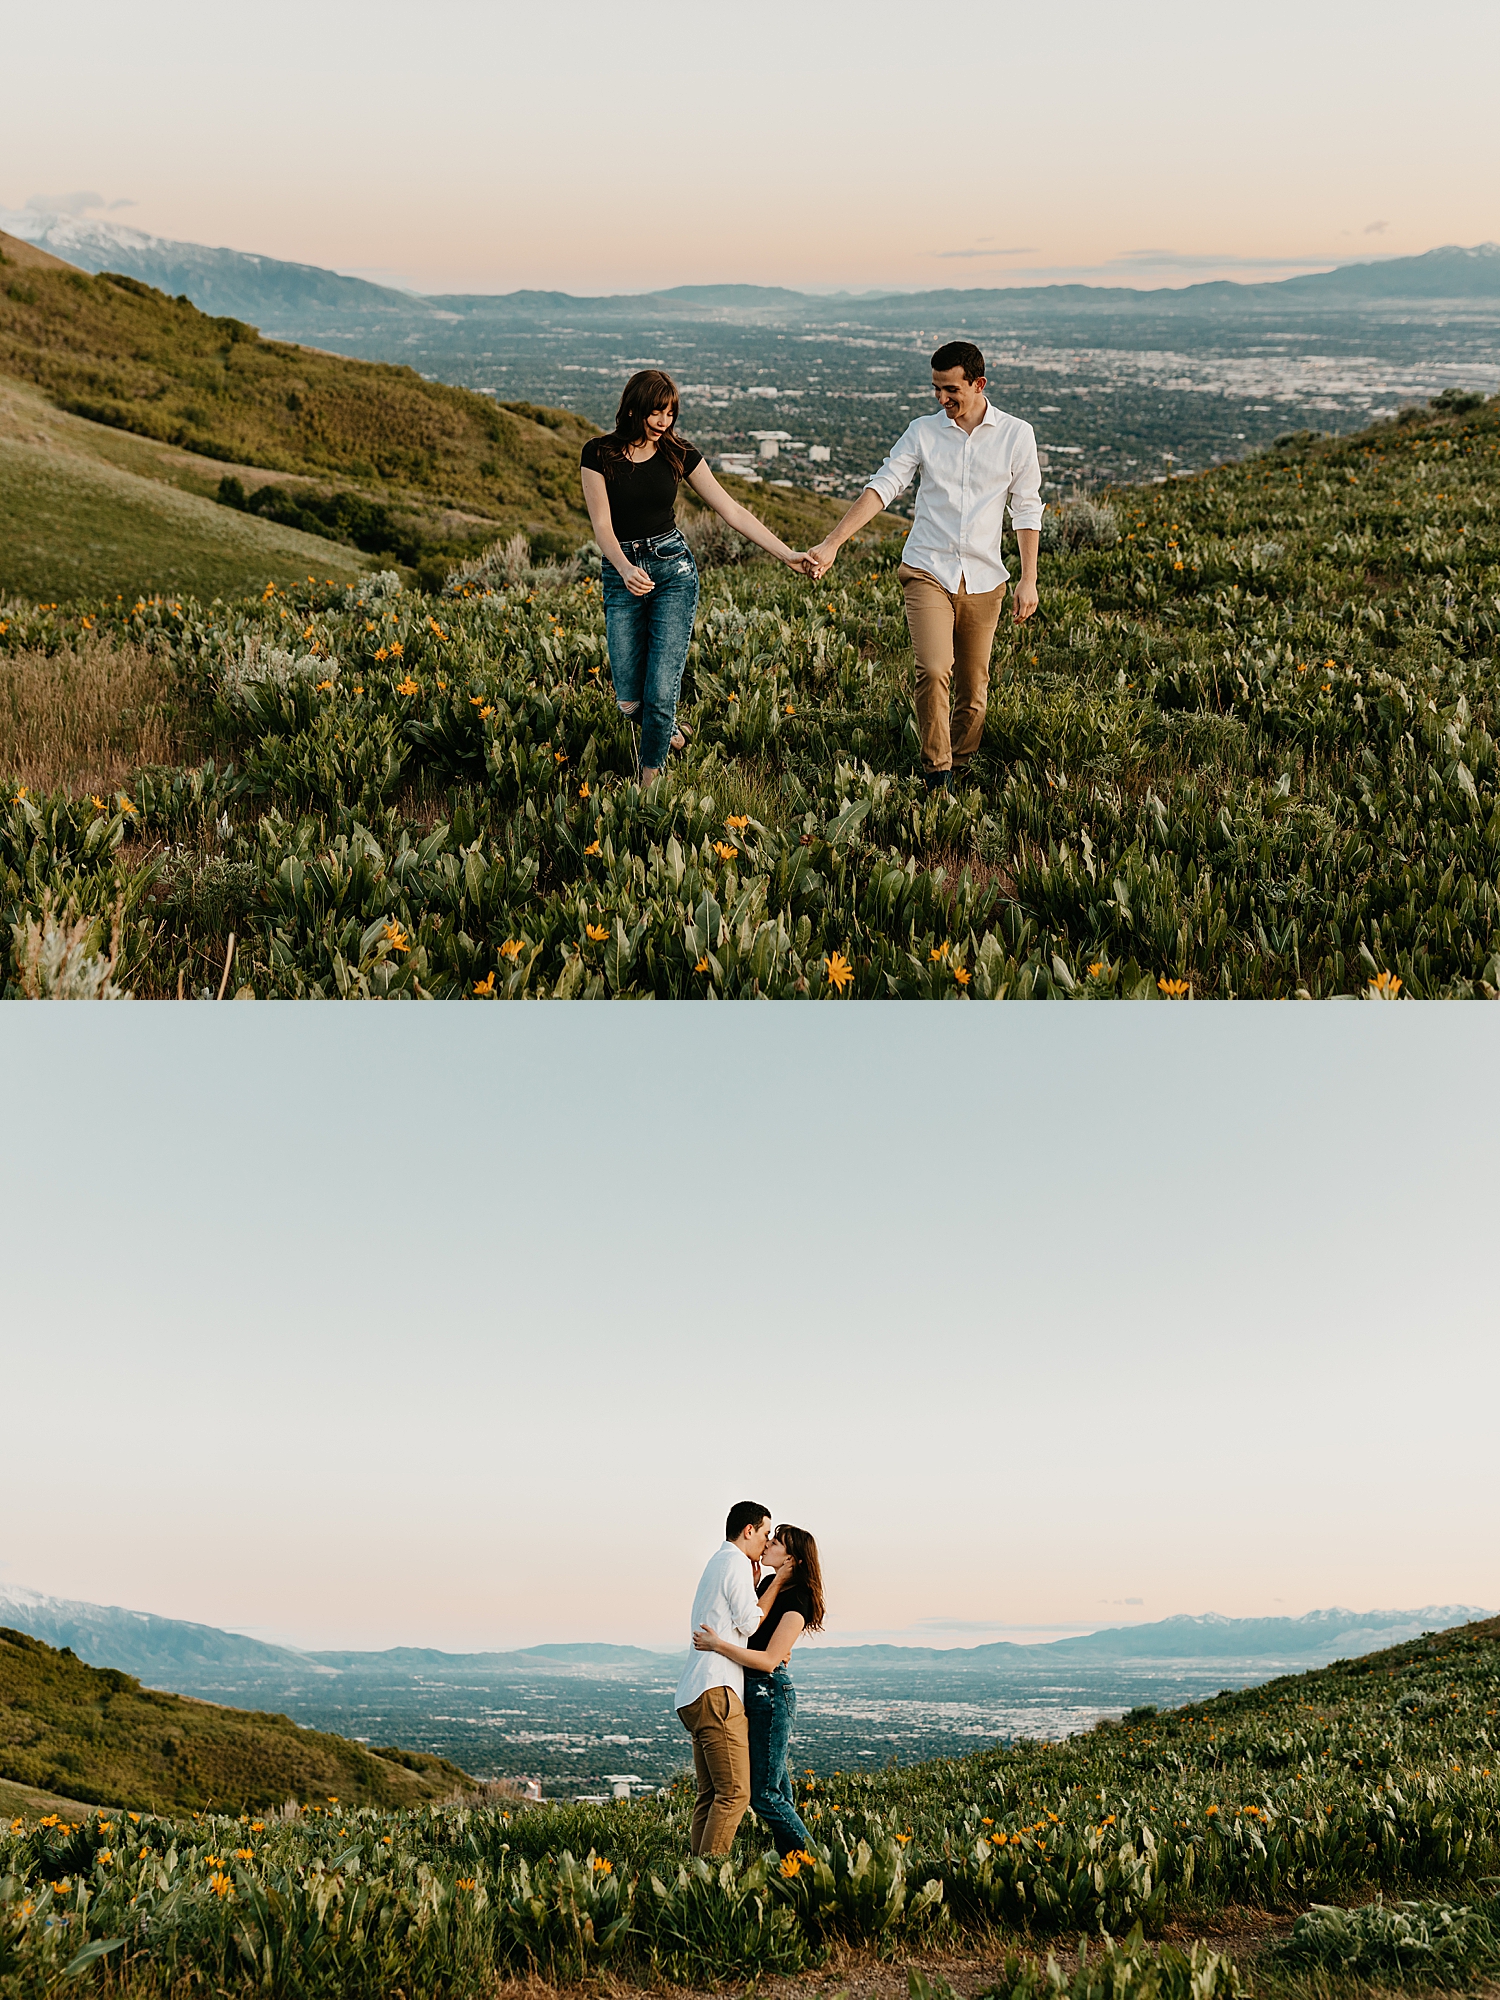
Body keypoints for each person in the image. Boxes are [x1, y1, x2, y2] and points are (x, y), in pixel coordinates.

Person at [806, 341, 1044, 790]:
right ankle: (938, 772)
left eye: (951, 389)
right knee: (934, 669)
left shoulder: (1017, 435)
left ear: (979, 384)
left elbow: (1027, 509)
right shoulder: (922, 431)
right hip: (926, 570)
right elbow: (885, 485)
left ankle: (962, 764)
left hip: (985, 578)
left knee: (974, 689)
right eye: (935, 389)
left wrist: (1028, 579)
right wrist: (833, 542)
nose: (941, 399)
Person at [580, 371, 814, 786]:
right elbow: (601, 525)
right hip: (622, 573)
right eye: (656, 412)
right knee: (630, 700)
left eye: (670, 413)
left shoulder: (679, 453)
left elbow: (733, 510)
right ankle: (665, 728)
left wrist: (787, 554)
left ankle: (649, 782)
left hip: (674, 571)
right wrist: (623, 566)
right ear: (632, 408)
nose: (664, 422)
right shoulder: (598, 453)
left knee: (660, 688)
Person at [693, 1522, 823, 1857]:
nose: (767, 1545)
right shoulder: (769, 1582)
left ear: (791, 1557)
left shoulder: (799, 1597)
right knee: (776, 1787)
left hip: (769, 1694)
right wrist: (754, 1589)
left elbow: (767, 1660)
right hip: (751, 1691)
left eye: (775, 1541)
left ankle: (815, 1864)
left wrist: (717, 1645)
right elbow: (749, 1628)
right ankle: (794, 1865)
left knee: (764, 1794)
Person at [674, 1500, 794, 1858]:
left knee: (710, 1795)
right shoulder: (737, 1563)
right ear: (749, 1531)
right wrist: (776, 1583)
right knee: (736, 1794)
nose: (767, 1541)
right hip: (718, 1690)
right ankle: (707, 1881)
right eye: (765, 1533)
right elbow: (751, 1623)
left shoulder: (718, 1562)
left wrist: (755, 1586)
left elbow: (736, 1620)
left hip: (694, 1692)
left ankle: (694, 1873)